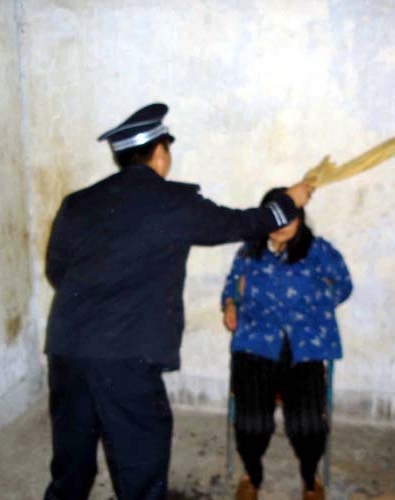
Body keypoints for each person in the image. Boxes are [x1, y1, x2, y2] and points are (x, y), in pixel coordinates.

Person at [43, 103, 313, 500]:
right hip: (127, 356)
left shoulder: (78, 202)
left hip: (67, 350)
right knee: (140, 465)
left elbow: (57, 273)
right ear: (159, 153)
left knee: (71, 464)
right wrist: (289, 202)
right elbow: (243, 223)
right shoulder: (175, 203)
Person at [221, 188, 353, 500]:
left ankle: (310, 476)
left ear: (300, 218)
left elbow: (344, 285)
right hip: (256, 343)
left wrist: (316, 302)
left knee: (307, 423)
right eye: (275, 217)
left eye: (289, 218)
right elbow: (232, 288)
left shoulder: (318, 250)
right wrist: (230, 304)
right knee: (252, 422)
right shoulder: (249, 251)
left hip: (304, 346)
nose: (281, 225)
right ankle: (251, 475)